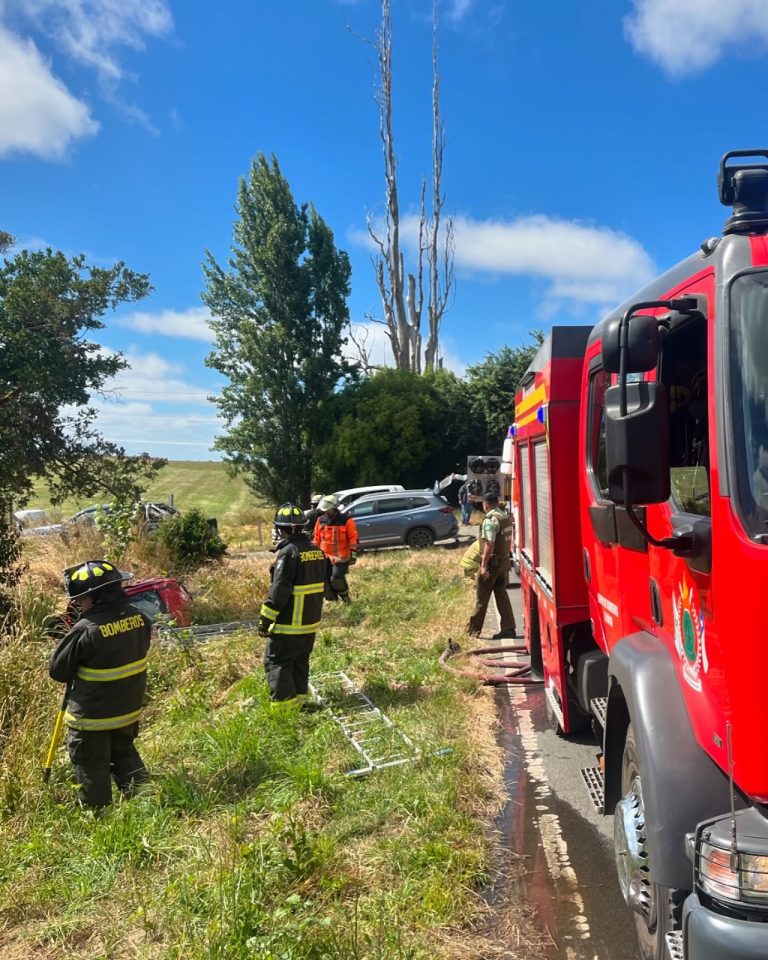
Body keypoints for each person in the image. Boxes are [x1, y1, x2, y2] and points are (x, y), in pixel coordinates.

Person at [49, 559, 152, 810]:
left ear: (93, 598)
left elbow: (58, 671)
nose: (78, 604)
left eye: (81, 599)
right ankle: (148, 806)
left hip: (91, 718)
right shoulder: (139, 618)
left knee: (90, 764)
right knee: (124, 754)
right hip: (127, 711)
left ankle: (100, 818)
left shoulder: (86, 629)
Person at [259, 503, 328, 706]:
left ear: (281, 529)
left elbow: (279, 591)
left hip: (290, 624)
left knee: (277, 662)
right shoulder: (317, 552)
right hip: (310, 624)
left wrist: (265, 619)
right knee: (299, 662)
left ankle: (284, 712)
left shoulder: (288, 554)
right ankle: (301, 702)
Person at [466, 492, 517, 640]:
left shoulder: (490, 520)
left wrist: (483, 566)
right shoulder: (504, 517)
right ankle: (509, 628)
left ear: (485, 505)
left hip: (492, 565)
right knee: (501, 593)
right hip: (503, 563)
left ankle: (473, 632)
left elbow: (489, 543)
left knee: (482, 596)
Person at [313, 494, 359, 603]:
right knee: (324, 580)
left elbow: (353, 539)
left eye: (328, 510)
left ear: (335, 508)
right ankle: (333, 601)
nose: (326, 512)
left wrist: (353, 556)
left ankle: (345, 598)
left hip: (341, 558)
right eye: (325, 510)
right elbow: (316, 539)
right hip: (324, 557)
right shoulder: (320, 521)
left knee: (336, 577)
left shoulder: (346, 521)